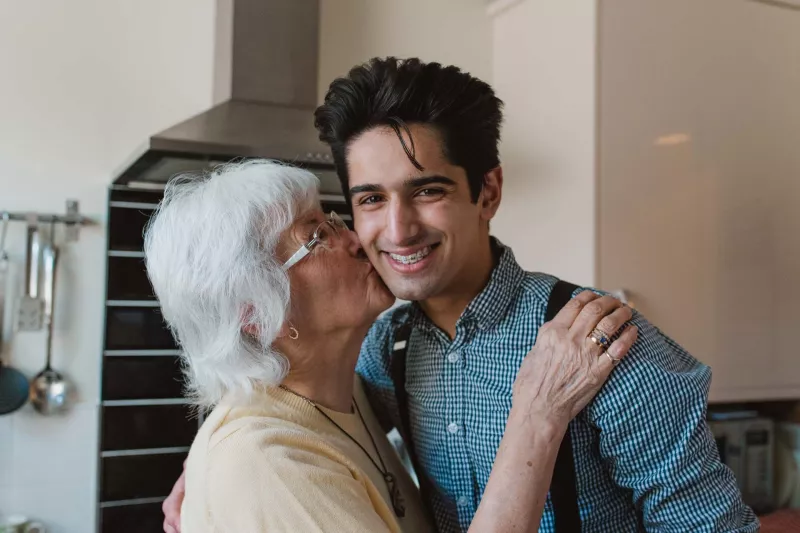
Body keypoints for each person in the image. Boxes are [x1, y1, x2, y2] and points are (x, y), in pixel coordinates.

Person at [163, 58, 759, 532]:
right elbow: (286, 402)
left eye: (427, 191)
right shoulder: (384, 351)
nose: (397, 231)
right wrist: (212, 467)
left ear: (487, 192)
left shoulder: (596, 344)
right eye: (371, 199)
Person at [146, 160, 637, 533]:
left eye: (334, 219)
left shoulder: (348, 385)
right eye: (316, 237)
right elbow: (253, 458)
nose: (357, 239)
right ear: (256, 315)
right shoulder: (266, 463)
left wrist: (205, 469)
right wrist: (539, 413)